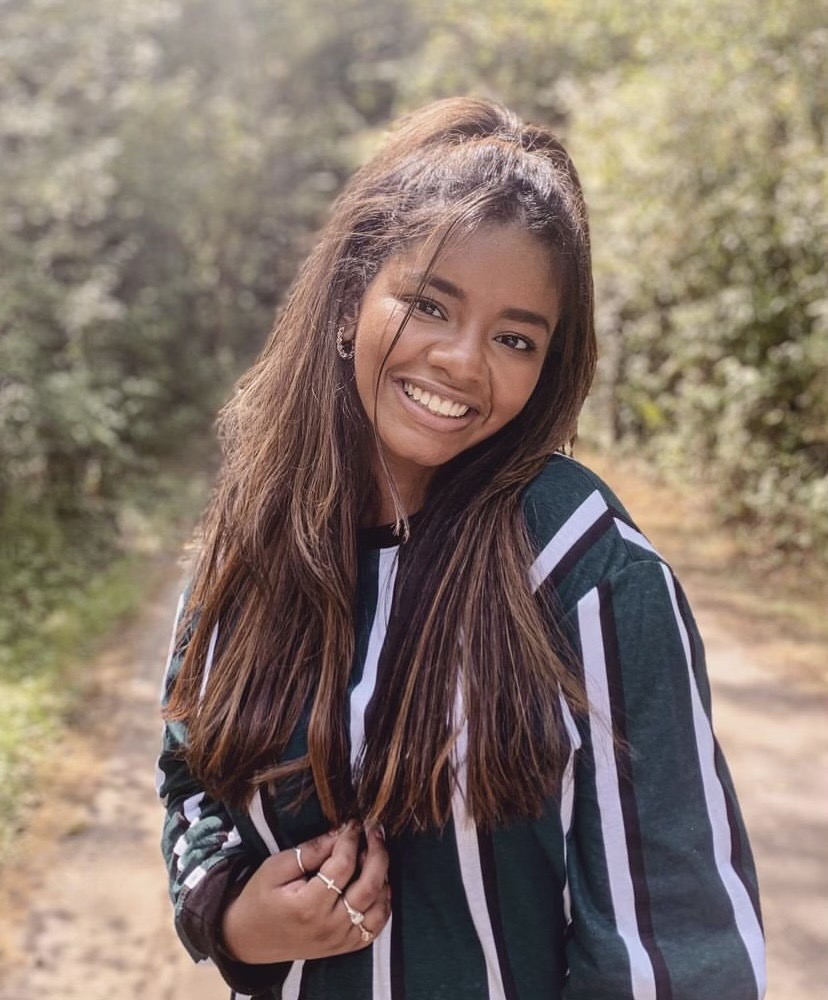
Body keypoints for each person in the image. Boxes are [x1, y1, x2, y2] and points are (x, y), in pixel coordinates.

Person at [157, 97, 766, 1000]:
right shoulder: (251, 542)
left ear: (548, 365)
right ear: (350, 298)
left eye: (514, 338)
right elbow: (190, 776)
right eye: (429, 305)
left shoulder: (580, 565)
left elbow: (674, 943)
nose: (462, 361)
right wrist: (234, 918)